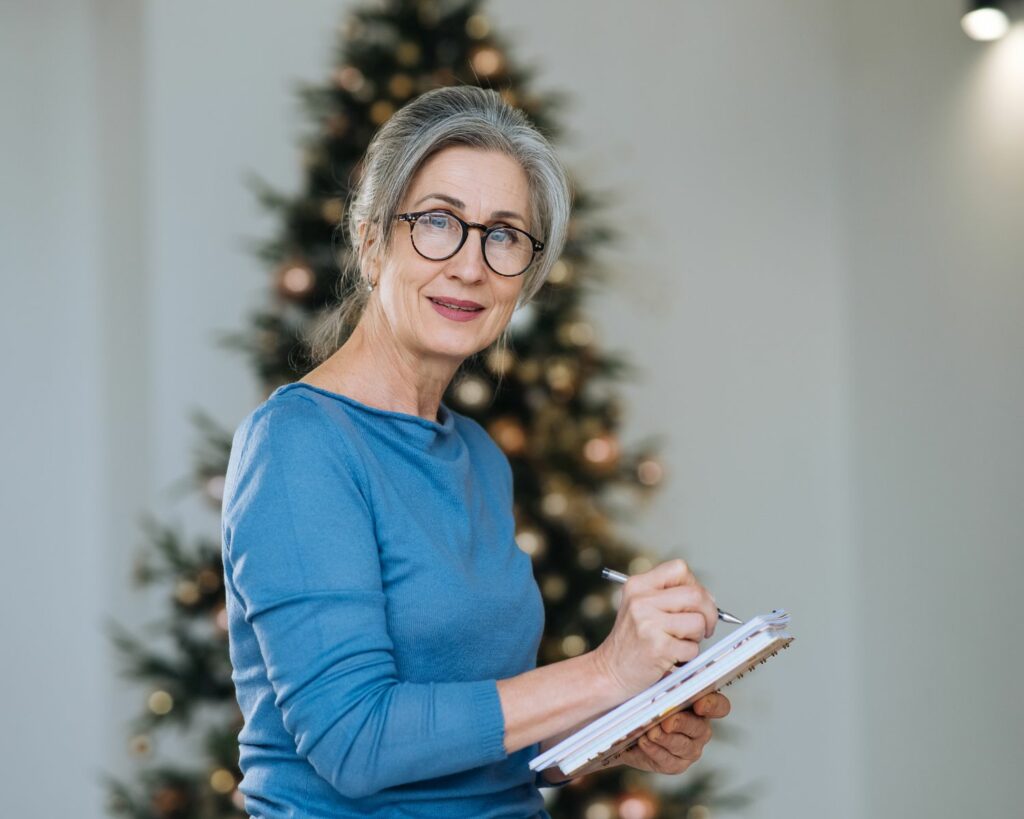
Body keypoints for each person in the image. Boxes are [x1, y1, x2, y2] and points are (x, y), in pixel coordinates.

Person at [221, 85, 731, 819]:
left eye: (503, 235)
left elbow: (476, 737)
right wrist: (603, 673)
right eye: (438, 222)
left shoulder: (480, 458)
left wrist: (617, 727)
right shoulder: (298, 445)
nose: (470, 265)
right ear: (370, 242)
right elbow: (356, 741)